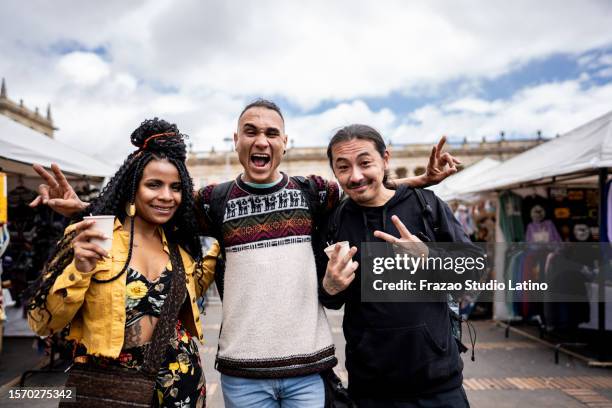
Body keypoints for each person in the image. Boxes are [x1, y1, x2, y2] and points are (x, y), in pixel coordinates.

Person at [30, 100, 459, 407]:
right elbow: (155, 208)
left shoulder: (315, 191)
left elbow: (365, 187)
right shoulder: (212, 200)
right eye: (251, 132)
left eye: (271, 132)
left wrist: (419, 182)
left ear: (285, 142)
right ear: (236, 140)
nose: (261, 141)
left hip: (310, 371)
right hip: (240, 374)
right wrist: (92, 208)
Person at [27, 119, 218, 408]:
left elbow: (196, 287)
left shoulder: (180, 248)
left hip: (183, 384)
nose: (166, 196)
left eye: (175, 187)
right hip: (111, 388)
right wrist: (79, 271)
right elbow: (43, 322)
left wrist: (227, 241)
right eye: (154, 184)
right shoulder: (90, 236)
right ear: (132, 188)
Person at [320, 124, 481, 407]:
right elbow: (331, 301)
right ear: (334, 172)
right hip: (370, 389)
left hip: (439, 386)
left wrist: (429, 257)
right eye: (343, 167)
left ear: (386, 159)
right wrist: (330, 287)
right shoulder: (336, 222)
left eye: (365, 163)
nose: (355, 176)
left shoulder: (427, 206)